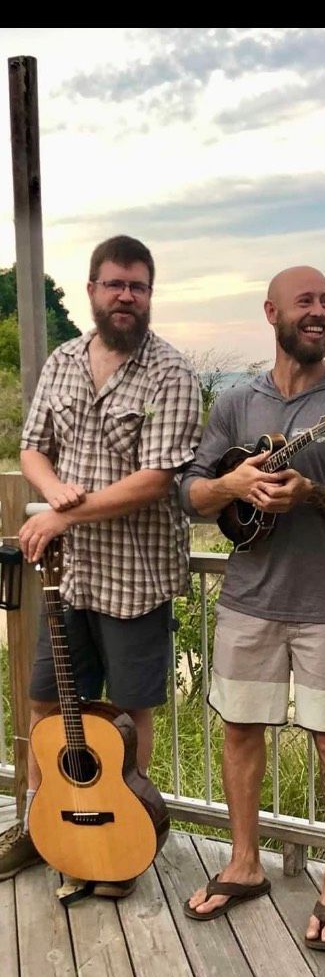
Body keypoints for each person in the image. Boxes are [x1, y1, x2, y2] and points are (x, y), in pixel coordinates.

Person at [181, 266, 325, 948]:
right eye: (305, 301)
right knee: (240, 730)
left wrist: (313, 493)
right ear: (272, 311)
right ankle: (245, 863)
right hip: (249, 597)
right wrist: (233, 484)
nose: (319, 312)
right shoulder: (238, 404)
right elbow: (190, 491)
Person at [0, 235, 203, 897]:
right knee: (44, 700)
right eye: (115, 284)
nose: (126, 296)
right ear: (91, 290)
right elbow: (32, 447)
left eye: (138, 286)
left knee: (128, 711)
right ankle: (40, 824)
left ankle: (124, 834)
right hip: (69, 575)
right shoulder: (62, 361)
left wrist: (63, 514)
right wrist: (50, 486)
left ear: (149, 295)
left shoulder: (169, 372)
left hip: (136, 574)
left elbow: (154, 481)